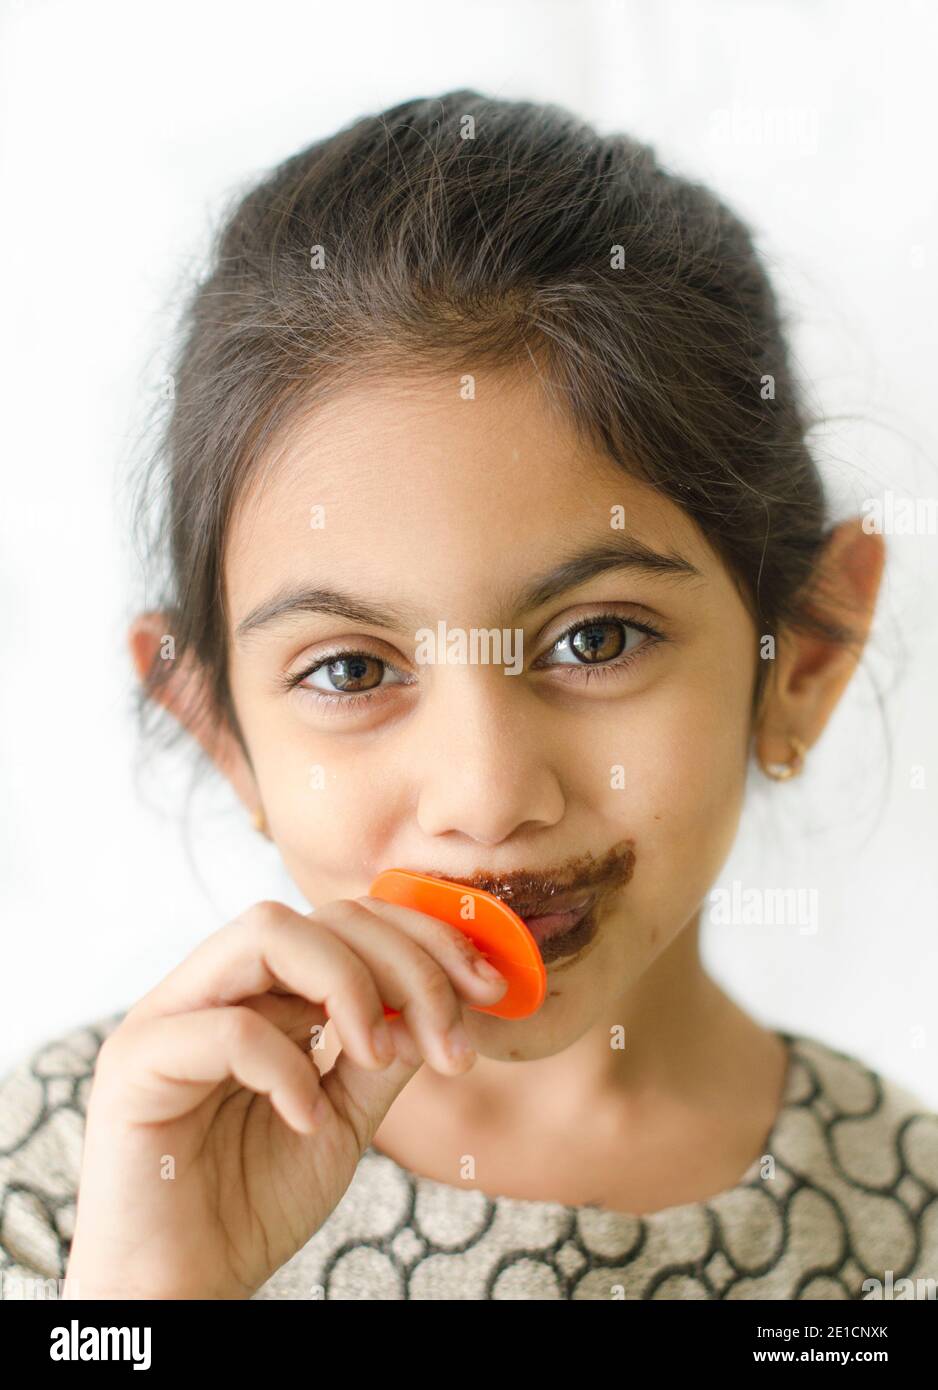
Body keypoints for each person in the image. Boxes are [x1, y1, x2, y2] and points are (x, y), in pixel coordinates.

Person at [2, 89, 935, 1302]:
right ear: (222, 732)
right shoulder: (76, 1182)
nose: (487, 797)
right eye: (351, 670)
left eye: (595, 638)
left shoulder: (905, 1234)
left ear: (802, 653)